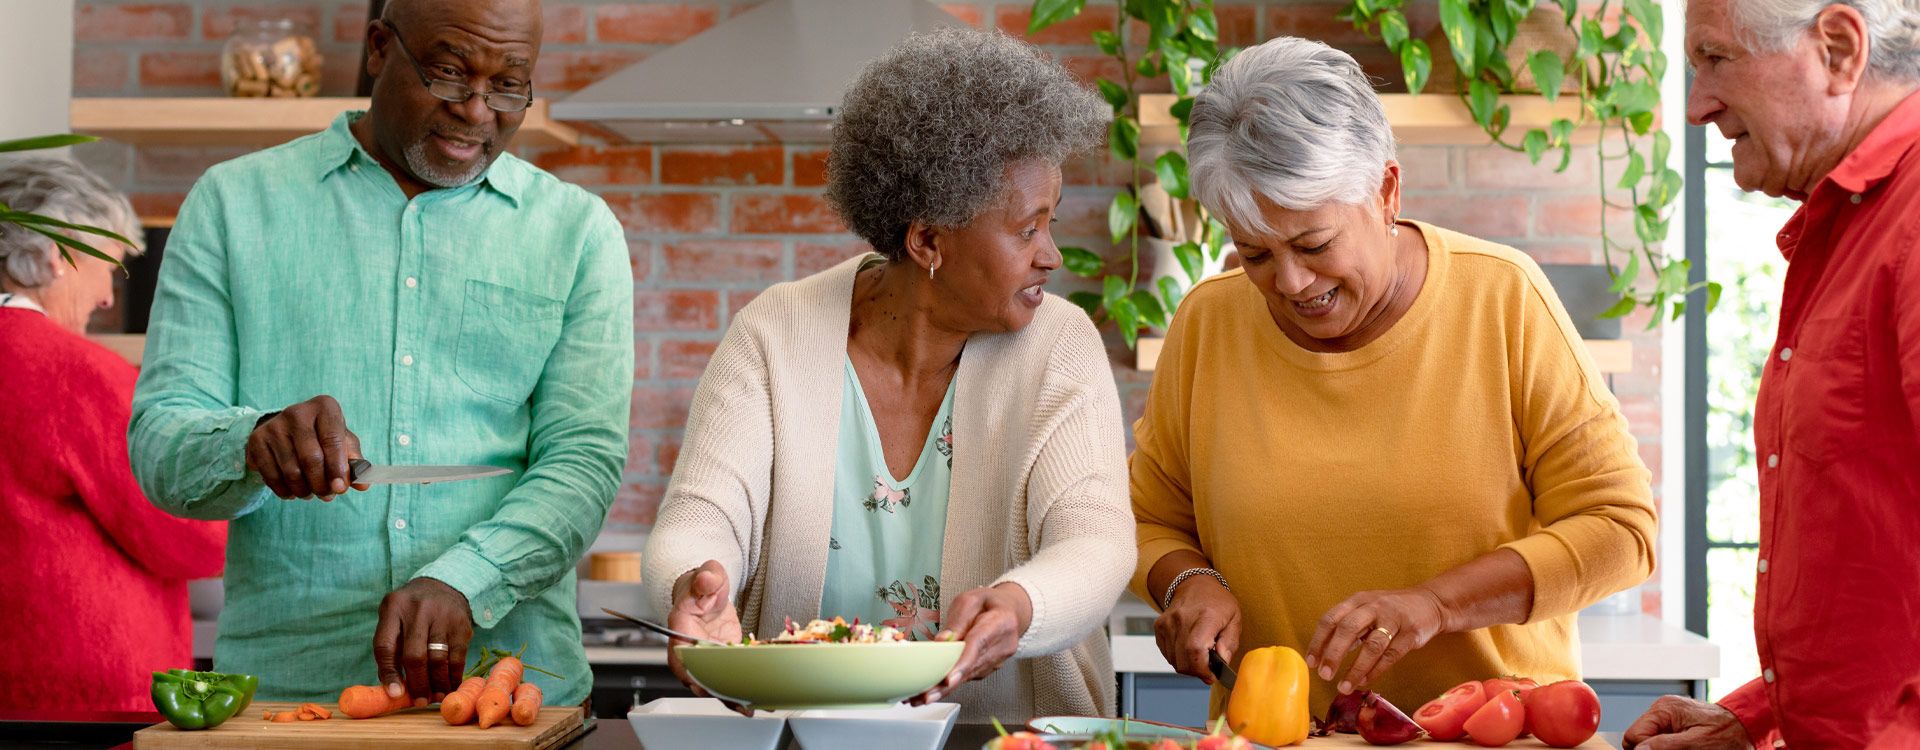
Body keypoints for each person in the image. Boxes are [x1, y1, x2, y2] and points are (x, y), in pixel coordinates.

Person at [1130, 36, 1659, 717]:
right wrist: (1187, 582)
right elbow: (1148, 519)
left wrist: (1437, 604)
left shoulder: (1503, 298)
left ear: (1385, 191)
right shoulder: (1210, 322)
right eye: (1254, 252)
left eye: (1315, 245)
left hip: (1493, 732)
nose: (1290, 282)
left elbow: (1621, 529)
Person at [129, 0, 631, 708]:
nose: (477, 111)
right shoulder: (234, 205)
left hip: (506, 702)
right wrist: (250, 441)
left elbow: (583, 460)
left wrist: (468, 576)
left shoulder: (577, 233)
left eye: (510, 84)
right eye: (450, 73)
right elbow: (160, 448)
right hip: (290, 700)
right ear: (378, 48)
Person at [643, 26, 1134, 720]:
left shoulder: (1060, 345)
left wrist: (1023, 605)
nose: (1052, 255)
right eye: (1028, 229)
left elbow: (1098, 539)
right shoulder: (774, 331)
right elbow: (702, 516)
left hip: (1002, 735)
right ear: (928, 240)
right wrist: (694, 585)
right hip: (797, 732)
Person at [1624, 0, 1920, 747]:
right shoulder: (1857, 223)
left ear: (1839, 48)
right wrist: (1759, 717)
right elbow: (1875, 562)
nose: (1696, 107)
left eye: (1715, 59)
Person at [0, 157, 226, 711]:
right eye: (106, 264)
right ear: (54, 256)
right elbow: (190, 536)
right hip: (79, 692)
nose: (107, 297)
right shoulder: (75, 372)